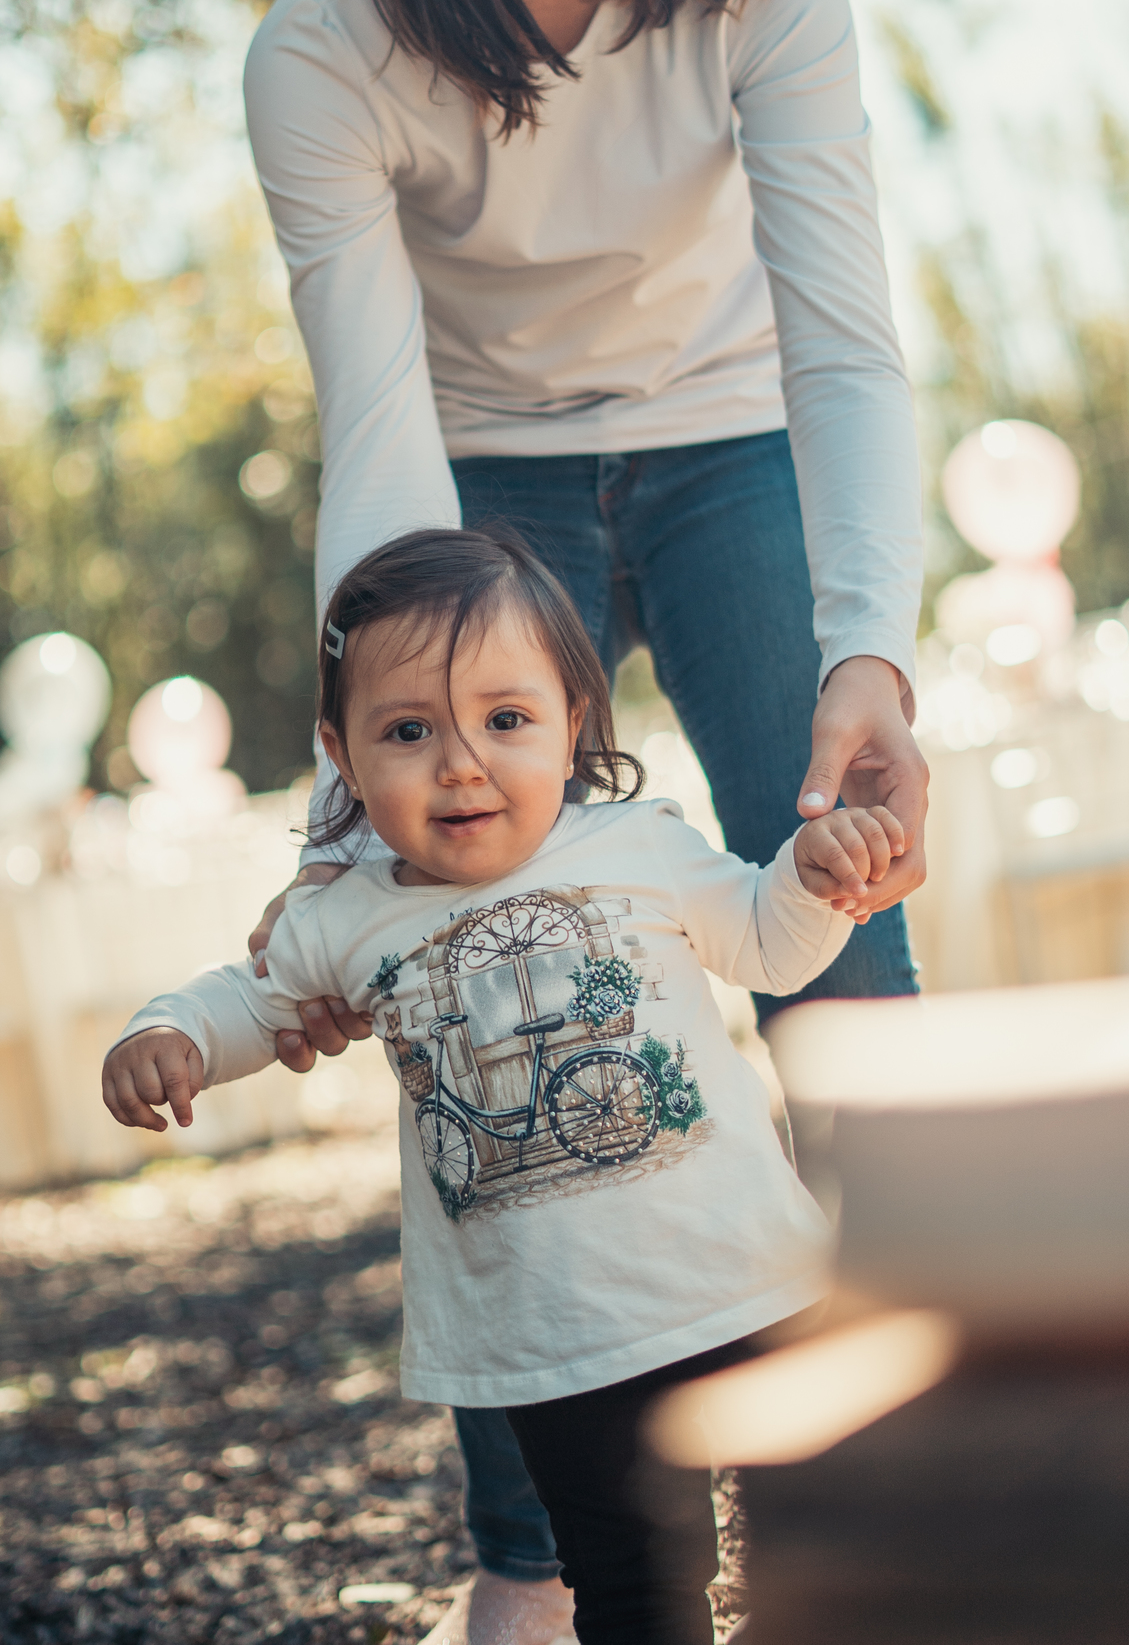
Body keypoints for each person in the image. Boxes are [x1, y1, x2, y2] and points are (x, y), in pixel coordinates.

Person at [241, 0, 928, 1633]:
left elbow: (847, 342)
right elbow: (375, 421)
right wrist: (361, 792)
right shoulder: (323, 57)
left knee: (845, 942)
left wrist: (871, 652)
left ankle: (886, 1480)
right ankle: (534, 1560)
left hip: (737, 434)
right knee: (472, 957)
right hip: (478, 478)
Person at [103, 530, 907, 1645]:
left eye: (506, 719)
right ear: (341, 752)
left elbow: (770, 944)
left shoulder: (637, 845)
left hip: (744, 1278)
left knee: (814, 1541)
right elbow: (250, 1000)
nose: (463, 762)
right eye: (408, 731)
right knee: (631, 1587)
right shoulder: (344, 916)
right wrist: (171, 1031)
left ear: (573, 719)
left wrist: (820, 879)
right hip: (553, 1342)